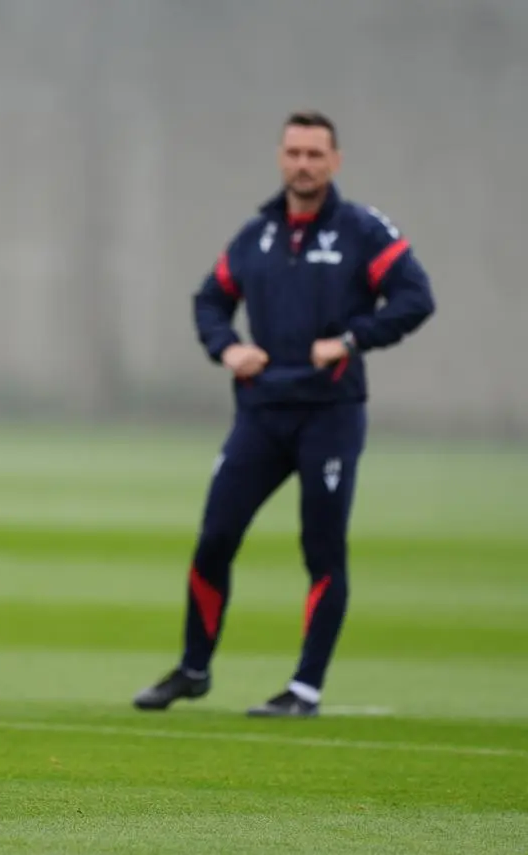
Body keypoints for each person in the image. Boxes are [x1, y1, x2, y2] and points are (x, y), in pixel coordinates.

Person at [133, 111, 435, 717]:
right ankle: (194, 670)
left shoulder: (361, 230)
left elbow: (414, 297)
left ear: (335, 162)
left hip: (330, 413)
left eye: (315, 154)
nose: (303, 164)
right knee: (215, 538)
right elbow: (210, 299)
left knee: (322, 549)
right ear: (281, 157)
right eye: (294, 152)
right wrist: (228, 348)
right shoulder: (260, 234)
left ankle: (305, 689)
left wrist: (351, 340)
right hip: (262, 413)